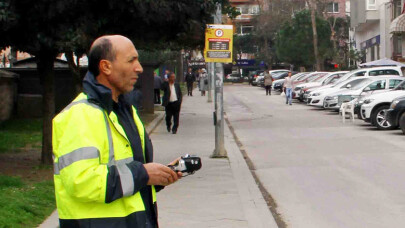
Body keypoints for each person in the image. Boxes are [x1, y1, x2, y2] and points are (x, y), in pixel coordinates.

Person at [52, 35, 182, 228]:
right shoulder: (80, 115)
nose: (138, 68)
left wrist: (157, 177)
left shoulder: (126, 111)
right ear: (105, 67)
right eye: (131, 60)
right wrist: (143, 174)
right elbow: (81, 182)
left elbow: (128, 175)